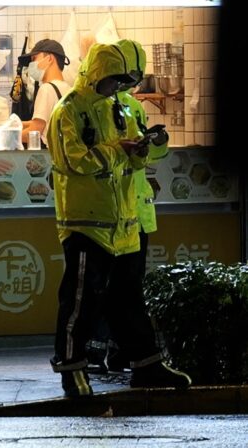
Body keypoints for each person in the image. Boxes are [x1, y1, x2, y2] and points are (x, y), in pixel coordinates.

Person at [46, 42, 191, 397]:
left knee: (128, 298)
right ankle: (71, 369)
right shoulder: (69, 111)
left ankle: (146, 365)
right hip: (86, 226)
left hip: (129, 222)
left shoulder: (128, 106)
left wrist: (150, 145)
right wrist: (118, 151)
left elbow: (143, 158)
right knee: (81, 301)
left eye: (126, 83)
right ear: (98, 73)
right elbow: (73, 161)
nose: (120, 89)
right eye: (114, 81)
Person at [85, 39, 171, 373]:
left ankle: (125, 352)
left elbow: (147, 156)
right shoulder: (90, 105)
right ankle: (97, 351)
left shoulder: (133, 107)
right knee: (108, 286)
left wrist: (157, 144)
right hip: (107, 212)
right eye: (124, 76)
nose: (128, 83)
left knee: (129, 287)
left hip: (136, 212)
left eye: (133, 77)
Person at [20, 39, 71, 147]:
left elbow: (35, 132)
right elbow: (46, 122)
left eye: (34, 59)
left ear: (49, 59)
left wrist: (7, 137)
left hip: (50, 156)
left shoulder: (46, 89)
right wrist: (18, 125)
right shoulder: (67, 88)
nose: (31, 65)